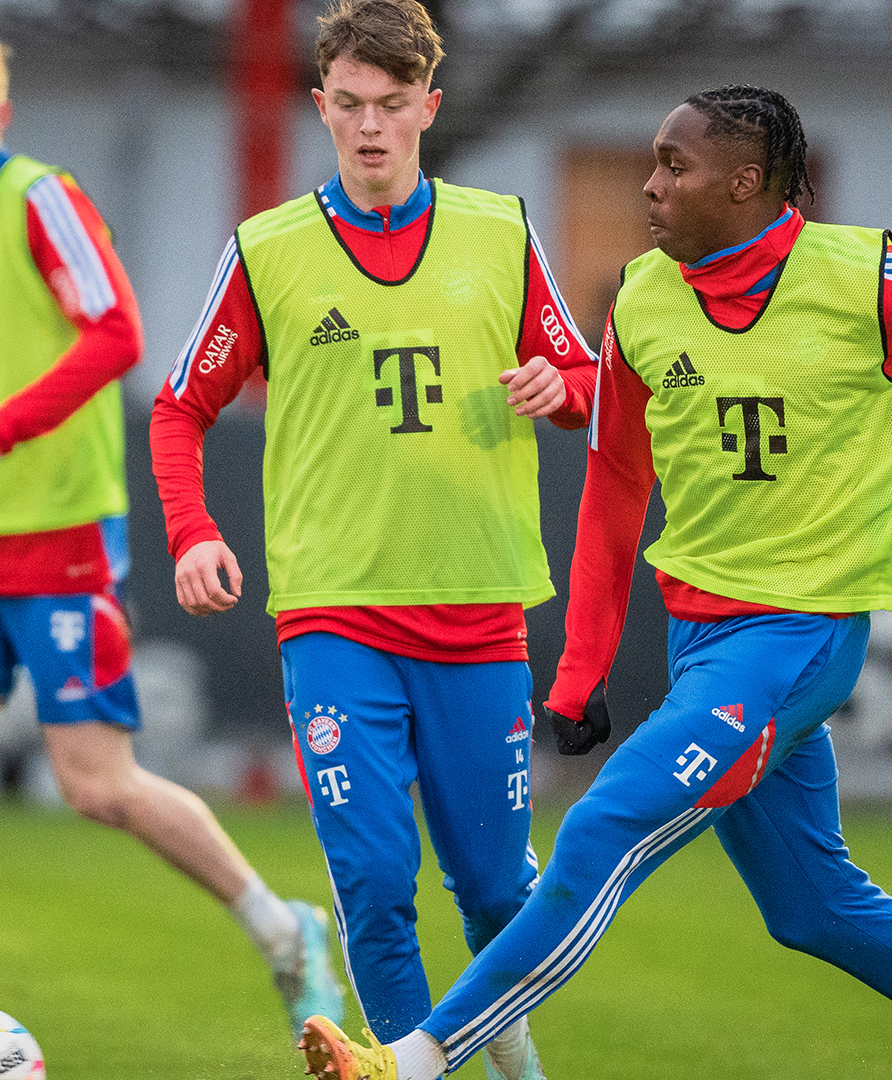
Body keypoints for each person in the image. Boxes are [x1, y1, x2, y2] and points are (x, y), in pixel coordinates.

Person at [298, 84, 892, 1080]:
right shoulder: (644, 301)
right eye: (653, 163)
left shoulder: (866, 280)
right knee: (814, 906)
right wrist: (581, 669)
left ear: (748, 183)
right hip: (702, 642)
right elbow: (617, 482)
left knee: (602, 828)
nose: (650, 184)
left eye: (675, 165)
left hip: (799, 638)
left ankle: (410, 1063)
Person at [0, 19, 341, 1061]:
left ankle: (282, 927)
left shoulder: (40, 201)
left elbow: (115, 332)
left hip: (58, 539)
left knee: (96, 784)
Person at [150, 2, 598, 1076]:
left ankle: (514, 1063)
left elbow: (589, 384)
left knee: (499, 893)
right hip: (335, 617)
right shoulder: (270, 250)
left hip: (477, 610)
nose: (369, 128)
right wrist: (191, 531)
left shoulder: (500, 230)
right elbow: (178, 408)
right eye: (348, 105)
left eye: (392, 106)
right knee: (372, 882)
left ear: (428, 108)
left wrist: (563, 387)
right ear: (321, 106)